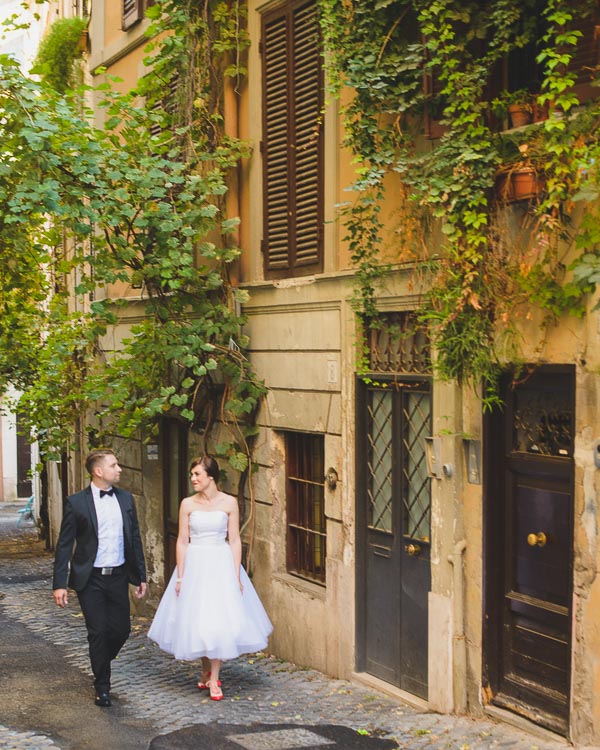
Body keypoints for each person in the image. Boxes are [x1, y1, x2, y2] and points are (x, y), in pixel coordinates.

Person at [148, 455, 272, 700]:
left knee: (217, 620)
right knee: (199, 619)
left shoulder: (229, 503)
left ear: (211, 477)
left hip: (220, 562)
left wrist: (236, 574)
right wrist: (181, 576)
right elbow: (183, 541)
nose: (193, 479)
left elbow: (234, 539)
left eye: (197, 475)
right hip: (195, 564)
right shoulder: (187, 504)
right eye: (192, 474)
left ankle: (215, 678)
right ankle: (205, 669)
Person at [52, 449, 147, 708]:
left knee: (121, 630)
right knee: (98, 631)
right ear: (98, 471)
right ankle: (102, 686)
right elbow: (64, 544)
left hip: (117, 576)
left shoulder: (126, 500)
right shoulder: (77, 503)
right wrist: (60, 583)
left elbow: (134, 540)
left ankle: (101, 661)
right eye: (114, 465)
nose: (119, 469)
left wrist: (140, 576)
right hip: (90, 579)